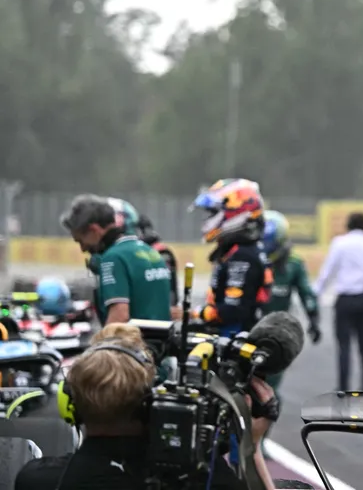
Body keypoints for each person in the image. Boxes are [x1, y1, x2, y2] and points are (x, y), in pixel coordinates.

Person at [13, 324, 278, 490]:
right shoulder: (202, 479)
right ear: (147, 403)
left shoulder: (37, 480)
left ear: (69, 403)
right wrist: (250, 446)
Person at [60, 194, 173, 324]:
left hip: (135, 341)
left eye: (81, 241)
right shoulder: (150, 252)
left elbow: (119, 317)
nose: (83, 249)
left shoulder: (112, 259)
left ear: (94, 230)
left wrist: (100, 343)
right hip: (162, 341)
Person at [189, 179, 273, 337]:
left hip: (235, 342)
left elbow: (233, 310)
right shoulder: (240, 250)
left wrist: (195, 313)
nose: (208, 220)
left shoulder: (243, 256)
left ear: (237, 213)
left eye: (214, 213)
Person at [314, 211, 363, 392]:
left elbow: (328, 271)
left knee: (344, 346)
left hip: (344, 299)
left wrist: (316, 294)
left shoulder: (340, 243)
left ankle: (344, 387)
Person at [261, 209, 322, 395]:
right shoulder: (253, 259)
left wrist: (314, 319)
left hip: (277, 330)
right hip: (250, 325)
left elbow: (307, 293)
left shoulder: (294, 263)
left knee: (269, 384)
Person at [134, 213, 180, 310]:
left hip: (157, 309)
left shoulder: (160, 251)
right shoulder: (164, 250)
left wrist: (171, 307)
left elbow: (170, 285)